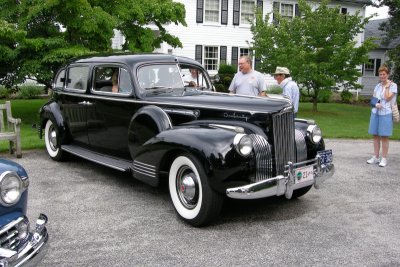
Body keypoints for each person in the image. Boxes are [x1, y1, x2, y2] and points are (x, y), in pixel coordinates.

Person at [367, 65, 398, 167]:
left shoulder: (393, 86)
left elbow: (387, 97)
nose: (382, 76)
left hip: (386, 113)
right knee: (375, 135)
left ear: (387, 75)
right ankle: (376, 157)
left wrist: (387, 86)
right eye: (380, 74)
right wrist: (376, 104)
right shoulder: (377, 86)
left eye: (384, 74)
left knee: (384, 136)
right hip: (375, 113)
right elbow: (373, 99)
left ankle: (384, 158)